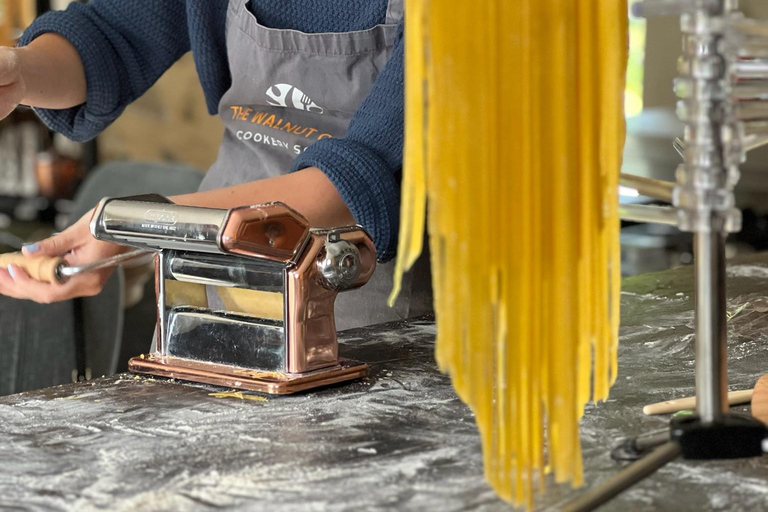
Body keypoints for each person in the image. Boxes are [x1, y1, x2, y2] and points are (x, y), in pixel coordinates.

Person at [0, 0, 432, 330]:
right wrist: (18, 73)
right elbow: (111, 34)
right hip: (213, 271)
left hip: (364, 288)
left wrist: (156, 223)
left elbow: (354, 183)